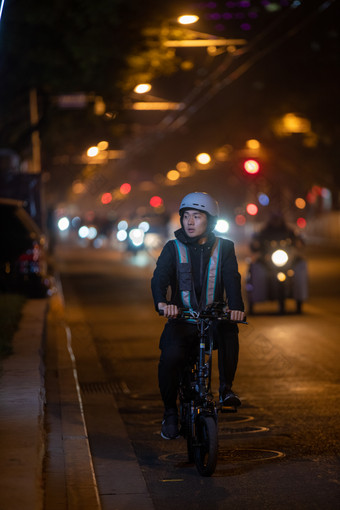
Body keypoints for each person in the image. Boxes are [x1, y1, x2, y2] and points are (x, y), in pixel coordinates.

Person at [151, 192, 245, 440]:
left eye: (197, 216)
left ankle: (226, 389)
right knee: (170, 358)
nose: (190, 222)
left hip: (212, 319)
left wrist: (235, 307)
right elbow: (159, 278)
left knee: (229, 331)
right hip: (182, 321)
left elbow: (232, 279)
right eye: (186, 216)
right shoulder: (172, 248)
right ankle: (170, 412)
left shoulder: (225, 248)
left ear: (210, 221)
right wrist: (163, 302)